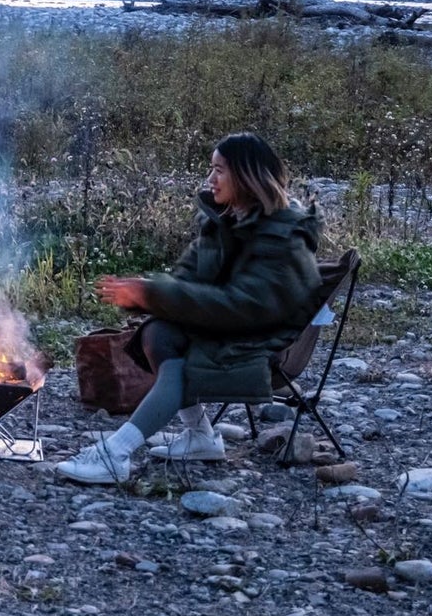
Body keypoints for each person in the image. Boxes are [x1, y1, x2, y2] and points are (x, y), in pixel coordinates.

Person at [56, 132, 323, 485]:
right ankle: (200, 436)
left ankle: (116, 453)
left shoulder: (283, 234)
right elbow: (187, 280)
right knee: (158, 332)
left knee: (182, 359)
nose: (210, 179)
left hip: (262, 341)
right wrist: (146, 292)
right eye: (210, 169)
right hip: (230, 326)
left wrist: (156, 294)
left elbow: (247, 306)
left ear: (247, 176)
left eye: (219, 170)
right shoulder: (224, 221)